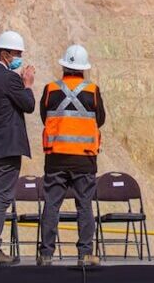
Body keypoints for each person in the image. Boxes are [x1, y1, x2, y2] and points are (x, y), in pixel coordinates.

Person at [37, 45, 105, 267]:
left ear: (64, 66)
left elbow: (44, 116)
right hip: (84, 159)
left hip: (56, 158)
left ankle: (46, 255)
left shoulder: (50, 89)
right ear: (84, 69)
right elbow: (100, 119)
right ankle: (85, 255)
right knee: (84, 205)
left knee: (51, 205)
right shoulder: (92, 90)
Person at [0, 31, 35, 266]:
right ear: (5, 54)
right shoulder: (9, 78)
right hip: (8, 146)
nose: (20, 58)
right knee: (1, 198)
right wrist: (27, 84)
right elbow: (28, 105)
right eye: (17, 54)